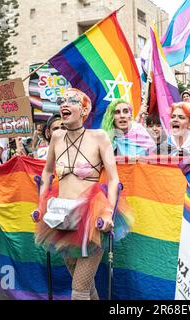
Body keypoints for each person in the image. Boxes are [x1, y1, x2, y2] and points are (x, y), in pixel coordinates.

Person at [33, 88, 132, 300]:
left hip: (91, 220)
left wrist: (107, 212)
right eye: (62, 101)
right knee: (86, 288)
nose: (64, 104)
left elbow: (114, 179)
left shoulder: (99, 137)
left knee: (78, 292)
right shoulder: (57, 137)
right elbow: (48, 171)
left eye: (72, 101)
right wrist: (42, 203)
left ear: (84, 110)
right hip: (62, 219)